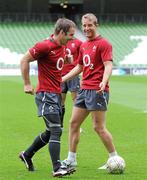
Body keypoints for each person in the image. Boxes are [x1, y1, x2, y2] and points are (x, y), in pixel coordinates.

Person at [61, 13, 124, 169]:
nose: (86, 28)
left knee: (98, 127)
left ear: (96, 25)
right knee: (73, 123)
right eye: (84, 25)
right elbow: (80, 67)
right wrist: (61, 79)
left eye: (89, 25)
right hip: (84, 89)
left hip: (97, 90)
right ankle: (71, 159)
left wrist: (104, 81)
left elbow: (108, 65)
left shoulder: (104, 44)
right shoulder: (83, 45)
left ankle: (114, 158)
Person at [19, 18, 76, 177]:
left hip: (56, 95)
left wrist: (67, 59)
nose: (72, 38)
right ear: (62, 32)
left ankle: (27, 154)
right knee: (56, 130)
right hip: (45, 94)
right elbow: (24, 60)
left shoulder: (62, 47)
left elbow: (56, 61)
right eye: (70, 35)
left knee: (50, 132)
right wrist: (27, 83)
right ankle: (57, 168)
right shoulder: (44, 45)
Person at [61, 37, 82, 128]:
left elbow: (82, 57)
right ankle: (59, 125)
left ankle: (77, 125)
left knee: (76, 100)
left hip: (73, 75)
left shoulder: (78, 42)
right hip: (60, 75)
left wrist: (74, 65)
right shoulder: (59, 41)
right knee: (60, 101)